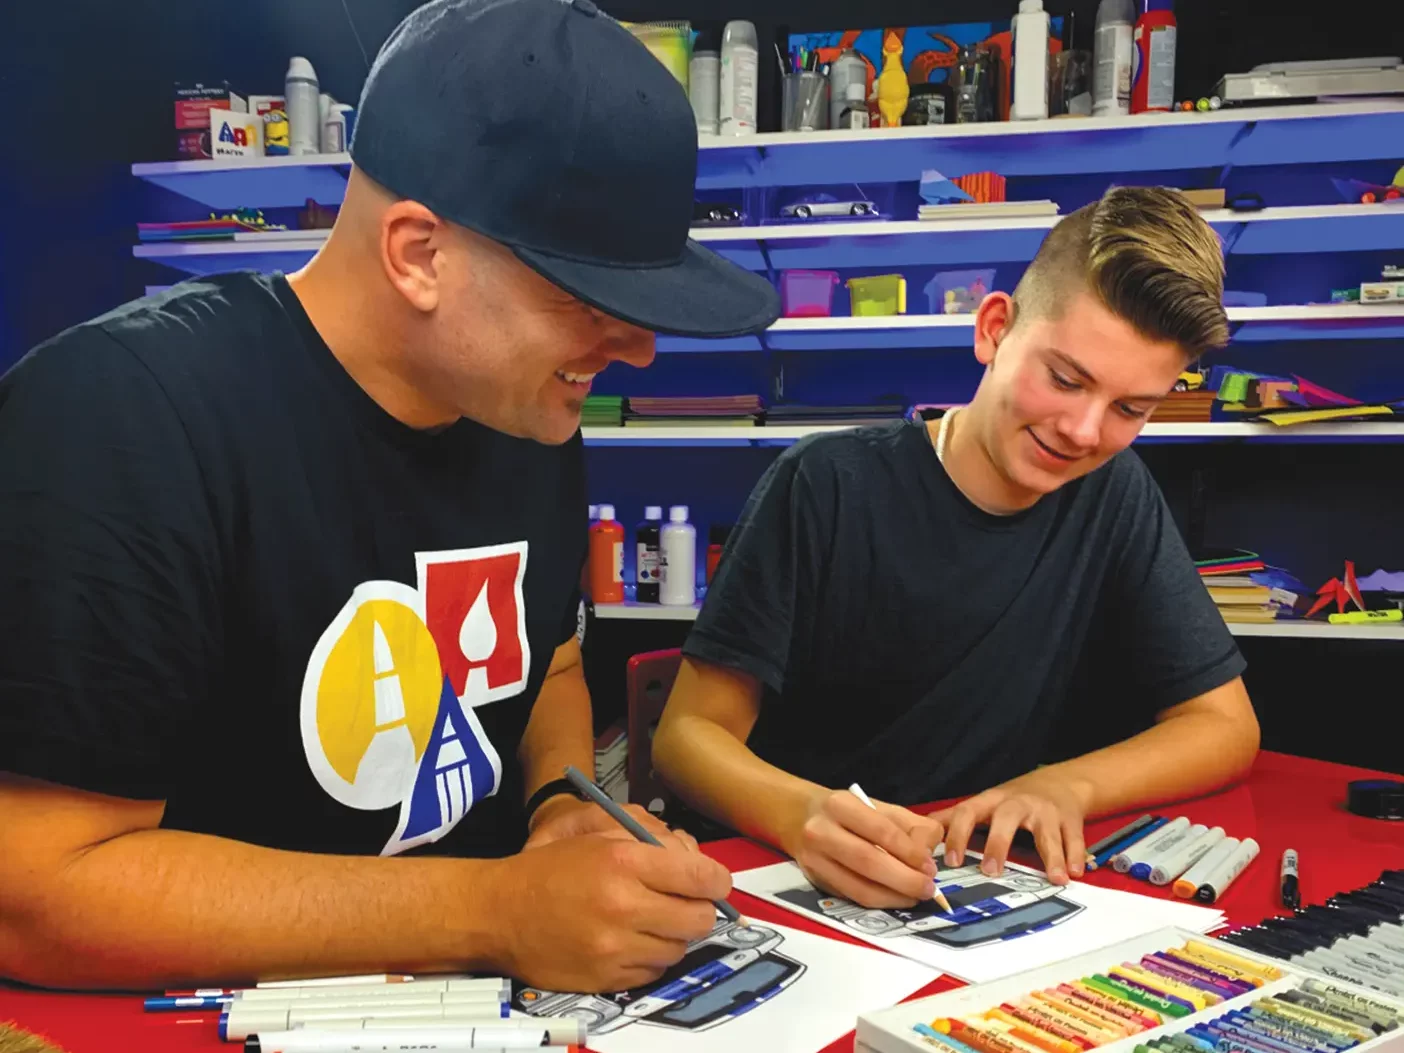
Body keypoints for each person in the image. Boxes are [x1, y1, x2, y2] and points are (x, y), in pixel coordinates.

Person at [0, 0, 779, 992]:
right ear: (418, 254)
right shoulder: (124, 418)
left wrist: (562, 804)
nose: (639, 349)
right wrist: (496, 911)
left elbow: (550, 661)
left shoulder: (522, 409)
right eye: (592, 302)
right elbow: (34, 893)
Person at [653, 186, 1261, 910]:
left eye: (1131, 408)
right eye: (1065, 379)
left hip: (971, 895)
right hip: (788, 884)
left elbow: (1226, 726)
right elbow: (685, 737)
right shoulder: (823, 485)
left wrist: (1063, 784)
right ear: (994, 329)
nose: (1085, 431)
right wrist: (801, 814)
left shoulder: (1113, 492)